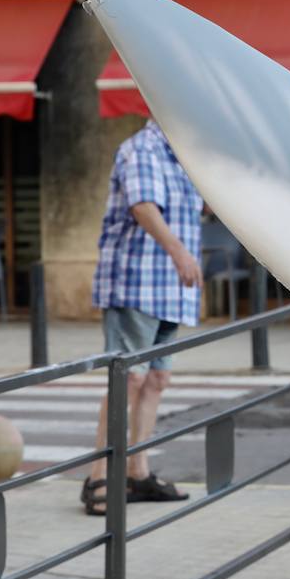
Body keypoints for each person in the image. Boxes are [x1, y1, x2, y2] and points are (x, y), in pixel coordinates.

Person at [82, 118, 203, 516]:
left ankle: (138, 471)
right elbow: (142, 205)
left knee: (156, 379)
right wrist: (179, 252)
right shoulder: (143, 149)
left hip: (169, 288)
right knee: (128, 379)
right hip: (137, 281)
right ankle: (98, 476)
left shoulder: (184, 156)